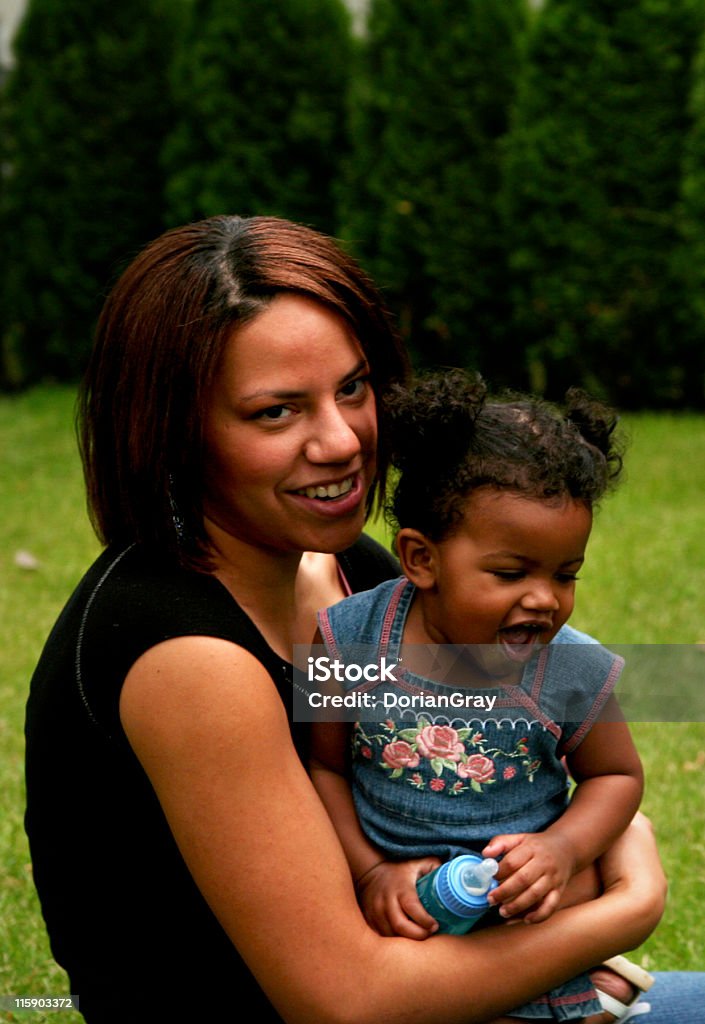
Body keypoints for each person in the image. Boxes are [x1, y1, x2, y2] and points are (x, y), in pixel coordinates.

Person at [21, 214, 697, 1024]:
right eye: (276, 412)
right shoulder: (186, 655)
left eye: (352, 387)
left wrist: (553, 906)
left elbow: (523, 754)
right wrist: (624, 909)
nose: (342, 441)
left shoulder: (352, 574)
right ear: (174, 432)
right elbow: (349, 1002)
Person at [309, 370, 643, 1022]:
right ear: (420, 559)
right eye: (510, 573)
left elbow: (616, 776)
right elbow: (323, 767)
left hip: (522, 935)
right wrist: (371, 872)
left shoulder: (571, 669)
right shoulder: (349, 641)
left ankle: (596, 987)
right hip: (393, 924)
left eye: (565, 574)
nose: (544, 599)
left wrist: (564, 849)